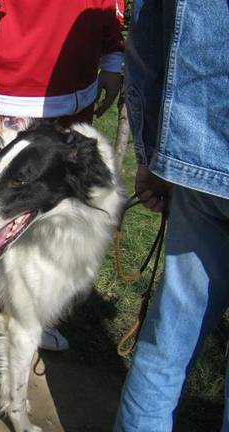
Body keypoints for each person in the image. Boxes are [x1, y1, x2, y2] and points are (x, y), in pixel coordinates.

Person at [0, 0, 124, 353]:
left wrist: (112, 53)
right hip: (5, 98)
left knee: (49, 222)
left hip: (73, 97)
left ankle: (31, 313)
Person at [114, 0, 229, 430]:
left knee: (167, 345)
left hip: (198, 161)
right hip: (197, 165)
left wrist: (151, 155)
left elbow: (144, 41)